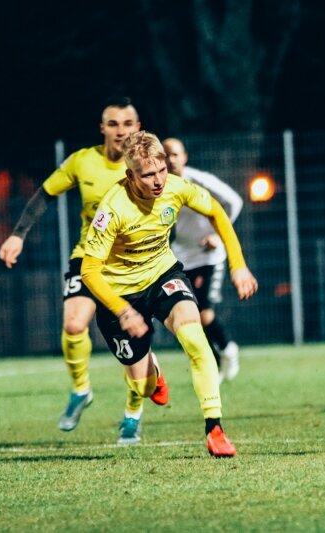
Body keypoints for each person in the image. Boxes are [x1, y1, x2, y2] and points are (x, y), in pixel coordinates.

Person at [80, 130, 258, 457]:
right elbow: (89, 270)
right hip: (120, 295)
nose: (159, 180)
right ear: (130, 176)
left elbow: (216, 211)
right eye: (148, 175)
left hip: (163, 276)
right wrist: (122, 310)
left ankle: (215, 428)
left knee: (195, 338)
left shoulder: (176, 186)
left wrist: (238, 265)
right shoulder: (112, 209)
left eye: (162, 170)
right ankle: (154, 374)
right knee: (144, 385)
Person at [0, 97, 152, 440]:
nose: (120, 131)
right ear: (102, 128)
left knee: (133, 344)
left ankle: (132, 414)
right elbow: (45, 193)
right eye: (113, 124)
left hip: (130, 264)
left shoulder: (148, 166)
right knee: (73, 324)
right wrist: (18, 235)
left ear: (137, 128)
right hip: (88, 257)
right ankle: (81, 390)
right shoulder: (83, 161)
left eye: (127, 124)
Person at [163, 137, 243, 384]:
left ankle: (228, 348)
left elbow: (235, 202)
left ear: (184, 157)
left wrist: (218, 235)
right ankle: (215, 364)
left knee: (205, 313)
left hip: (209, 256)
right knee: (188, 318)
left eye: (175, 154)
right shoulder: (158, 186)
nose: (171, 160)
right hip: (181, 257)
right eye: (165, 155)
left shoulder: (200, 180)